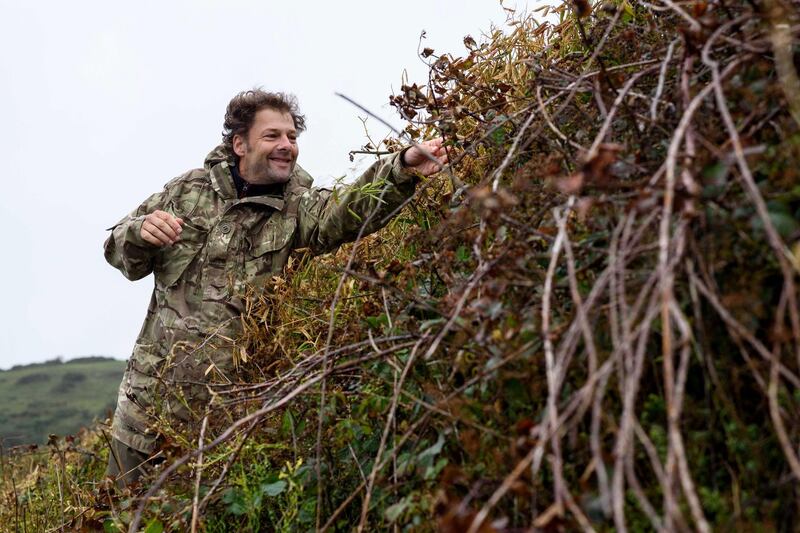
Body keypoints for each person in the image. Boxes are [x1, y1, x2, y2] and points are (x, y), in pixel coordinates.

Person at [103, 89, 447, 486]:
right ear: (239, 143)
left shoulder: (300, 208)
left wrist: (400, 167)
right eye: (272, 136)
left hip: (226, 424)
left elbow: (347, 210)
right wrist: (139, 233)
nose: (286, 145)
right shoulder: (186, 191)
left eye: (292, 137)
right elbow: (117, 250)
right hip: (144, 414)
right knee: (120, 518)